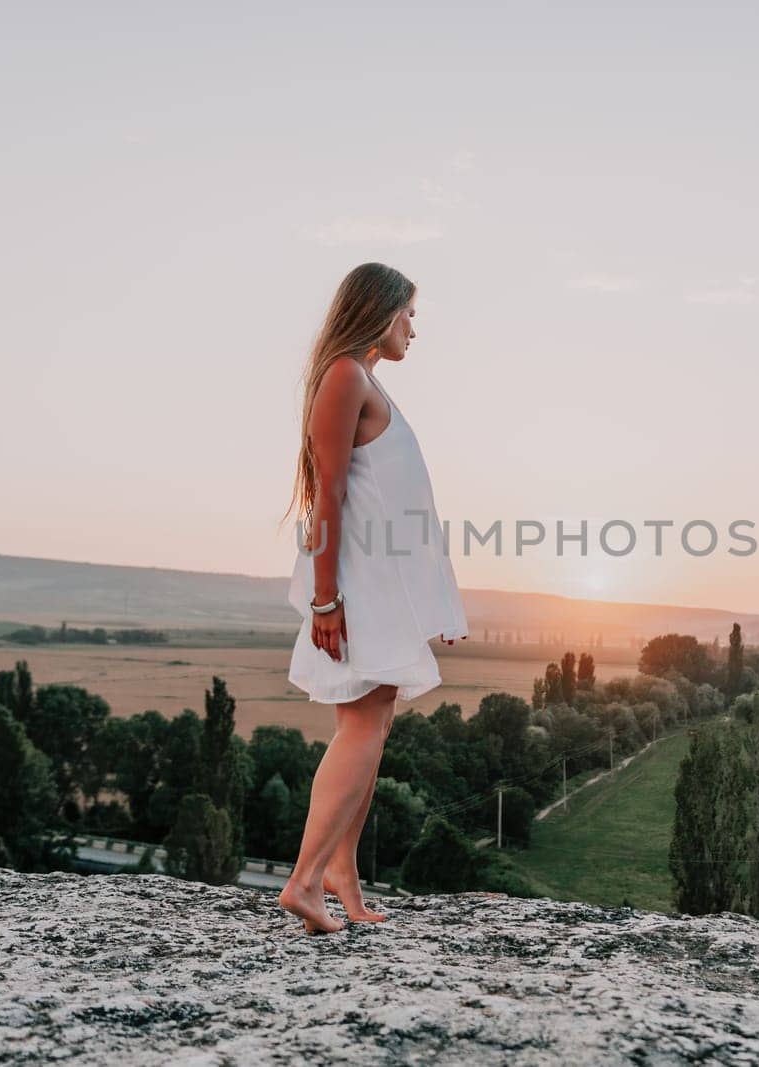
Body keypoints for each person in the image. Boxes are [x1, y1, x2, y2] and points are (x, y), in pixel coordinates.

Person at [276, 262, 468, 933]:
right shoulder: (344, 377)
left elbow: (399, 501)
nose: (415, 328)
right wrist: (326, 601)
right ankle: (304, 880)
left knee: (373, 720)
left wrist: (431, 598)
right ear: (381, 311)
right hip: (353, 585)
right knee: (362, 724)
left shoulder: (361, 378)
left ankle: (342, 879)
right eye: (409, 313)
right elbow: (328, 497)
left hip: (375, 584)